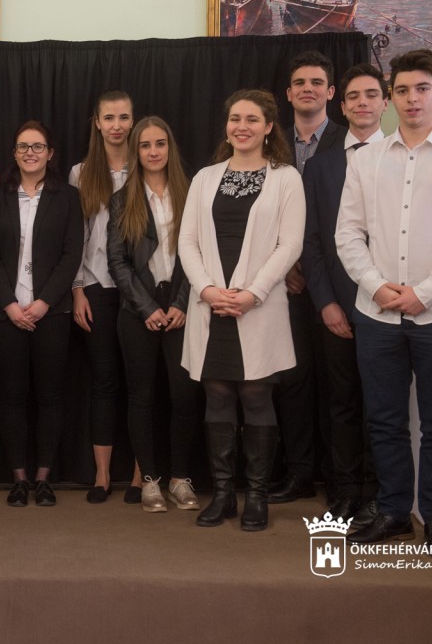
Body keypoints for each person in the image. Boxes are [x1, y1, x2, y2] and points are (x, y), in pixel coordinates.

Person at [337, 49, 432, 560]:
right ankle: (395, 512)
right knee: (384, 422)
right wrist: (377, 286)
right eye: (402, 90)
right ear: (391, 98)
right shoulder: (365, 160)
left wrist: (424, 293)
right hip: (377, 314)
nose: (412, 99)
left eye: (422, 88)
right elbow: (347, 235)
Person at [179, 89, 304, 532]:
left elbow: (290, 244)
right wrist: (208, 290)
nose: (242, 127)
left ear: (269, 127)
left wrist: (253, 293)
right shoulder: (205, 177)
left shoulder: (286, 178)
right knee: (217, 396)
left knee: (255, 396)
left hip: (258, 306)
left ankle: (257, 496)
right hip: (212, 305)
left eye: (252, 119)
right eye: (235, 119)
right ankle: (223, 495)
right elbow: (187, 241)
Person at [300, 63, 388, 527]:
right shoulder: (322, 165)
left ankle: (380, 495)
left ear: (385, 103)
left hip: (389, 307)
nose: (362, 103)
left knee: (384, 407)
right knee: (341, 404)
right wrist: (326, 302)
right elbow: (312, 241)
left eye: (371, 95)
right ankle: (345, 491)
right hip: (336, 304)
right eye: (354, 96)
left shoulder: (404, 158)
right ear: (342, 103)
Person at [0, 121, 83, 507]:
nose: (30, 153)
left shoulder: (68, 197)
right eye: (23, 146)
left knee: (50, 396)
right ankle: (19, 479)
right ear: (14, 153)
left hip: (51, 312)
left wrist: (43, 303)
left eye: (38, 146)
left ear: (50, 153)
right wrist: (9, 305)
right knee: (11, 396)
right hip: (6, 312)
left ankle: (43, 478)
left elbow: (72, 255)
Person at [106, 116, 201, 513]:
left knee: (184, 396)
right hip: (138, 308)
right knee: (141, 397)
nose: (153, 151)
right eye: (145, 145)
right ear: (136, 151)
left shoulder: (191, 191)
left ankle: (180, 478)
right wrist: (146, 307)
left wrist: (181, 303)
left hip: (182, 306)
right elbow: (117, 261)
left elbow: (201, 253)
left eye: (160, 143)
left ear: (170, 147)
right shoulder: (122, 198)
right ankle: (149, 481)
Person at [270, 50, 347, 506]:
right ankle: (299, 474)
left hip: (336, 284)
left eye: (317, 82)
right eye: (300, 83)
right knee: (293, 382)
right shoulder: (270, 143)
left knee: (339, 387)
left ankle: (339, 479)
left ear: (331, 92)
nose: (308, 89)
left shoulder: (347, 140)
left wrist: (315, 271)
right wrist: (286, 269)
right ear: (288, 93)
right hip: (286, 284)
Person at [69, 90, 144, 504]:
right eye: (109, 118)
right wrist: (77, 289)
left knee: (140, 383)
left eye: (124, 117)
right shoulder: (81, 173)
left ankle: (141, 475)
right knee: (104, 382)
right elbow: (75, 237)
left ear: (133, 121)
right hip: (97, 287)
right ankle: (101, 476)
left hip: (139, 290)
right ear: (97, 123)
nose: (117, 125)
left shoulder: (147, 165)